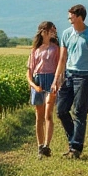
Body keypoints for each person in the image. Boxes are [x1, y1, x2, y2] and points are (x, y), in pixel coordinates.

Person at [51, 4, 88, 159]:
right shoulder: (66, 34)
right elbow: (62, 58)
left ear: (79, 17)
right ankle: (74, 141)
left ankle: (75, 148)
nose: (69, 18)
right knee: (61, 110)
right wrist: (56, 79)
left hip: (85, 76)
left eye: (71, 16)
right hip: (69, 74)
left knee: (79, 112)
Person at [26, 21, 60, 157]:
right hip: (37, 81)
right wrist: (34, 85)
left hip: (51, 80)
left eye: (53, 30)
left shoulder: (56, 49)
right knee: (39, 116)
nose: (53, 32)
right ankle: (40, 146)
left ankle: (47, 145)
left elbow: (59, 67)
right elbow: (29, 72)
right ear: (43, 31)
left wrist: (57, 83)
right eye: (50, 29)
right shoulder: (35, 50)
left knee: (48, 114)